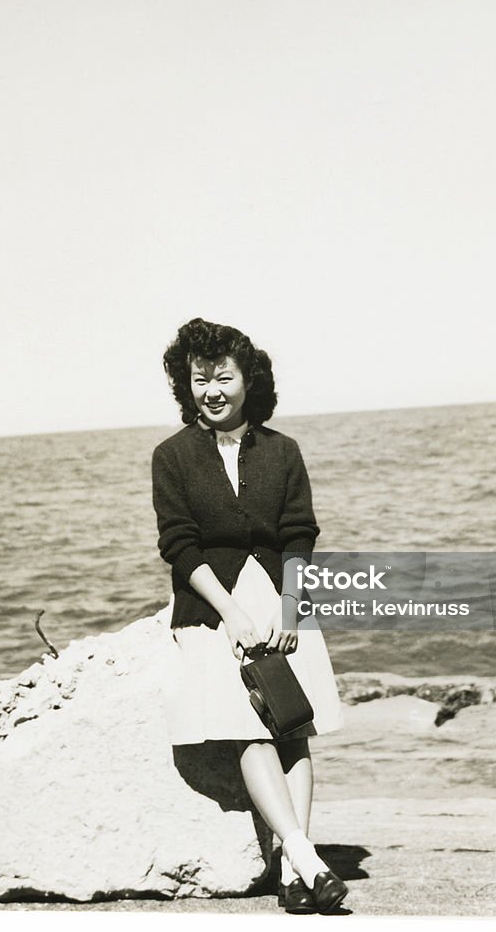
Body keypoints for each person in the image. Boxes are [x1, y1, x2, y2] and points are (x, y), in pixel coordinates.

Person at [151, 317, 347, 914]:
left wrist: (290, 609)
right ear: (188, 385)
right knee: (246, 727)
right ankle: (305, 855)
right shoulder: (171, 456)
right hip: (213, 606)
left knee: (292, 729)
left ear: (247, 380)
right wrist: (233, 614)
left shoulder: (283, 452)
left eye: (224, 378)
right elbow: (179, 546)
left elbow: (299, 535)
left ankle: (294, 872)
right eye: (200, 378)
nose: (211, 390)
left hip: (282, 600)